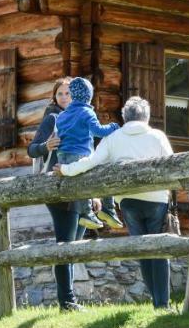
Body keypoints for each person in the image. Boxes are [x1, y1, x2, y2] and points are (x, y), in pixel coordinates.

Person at [57, 97, 175, 309]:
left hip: (128, 201)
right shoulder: (157, 136)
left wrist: (65, 169)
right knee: (159, 250)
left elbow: (90, 162)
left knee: (142, 250)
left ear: (124, 117)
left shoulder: (114, 138)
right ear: (146, 117)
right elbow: (173, 164)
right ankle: (162, 304)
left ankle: (155, 301)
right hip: (156, 199)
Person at [28, 77, 89, 310]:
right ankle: (67, 301)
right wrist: (47, 146)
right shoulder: (52, 118)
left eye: (69, 94)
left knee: (73, 246)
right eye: (61, 94)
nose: (65, 98)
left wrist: (92, 195)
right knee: (65, 244)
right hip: (57, 188)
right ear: (55, 97)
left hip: (81, 190)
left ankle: (68, 299)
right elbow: (31, 150)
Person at [55, 77, 121, 228]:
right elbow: (98, 131)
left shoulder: (62, 115)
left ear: (72, 95)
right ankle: (99, 211)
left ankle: (94, 212)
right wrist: (113, 127)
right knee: (100, 173)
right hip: (79, 154)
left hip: (62, 157)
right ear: (88, 96)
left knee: (81, 180)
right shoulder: (86, 112)